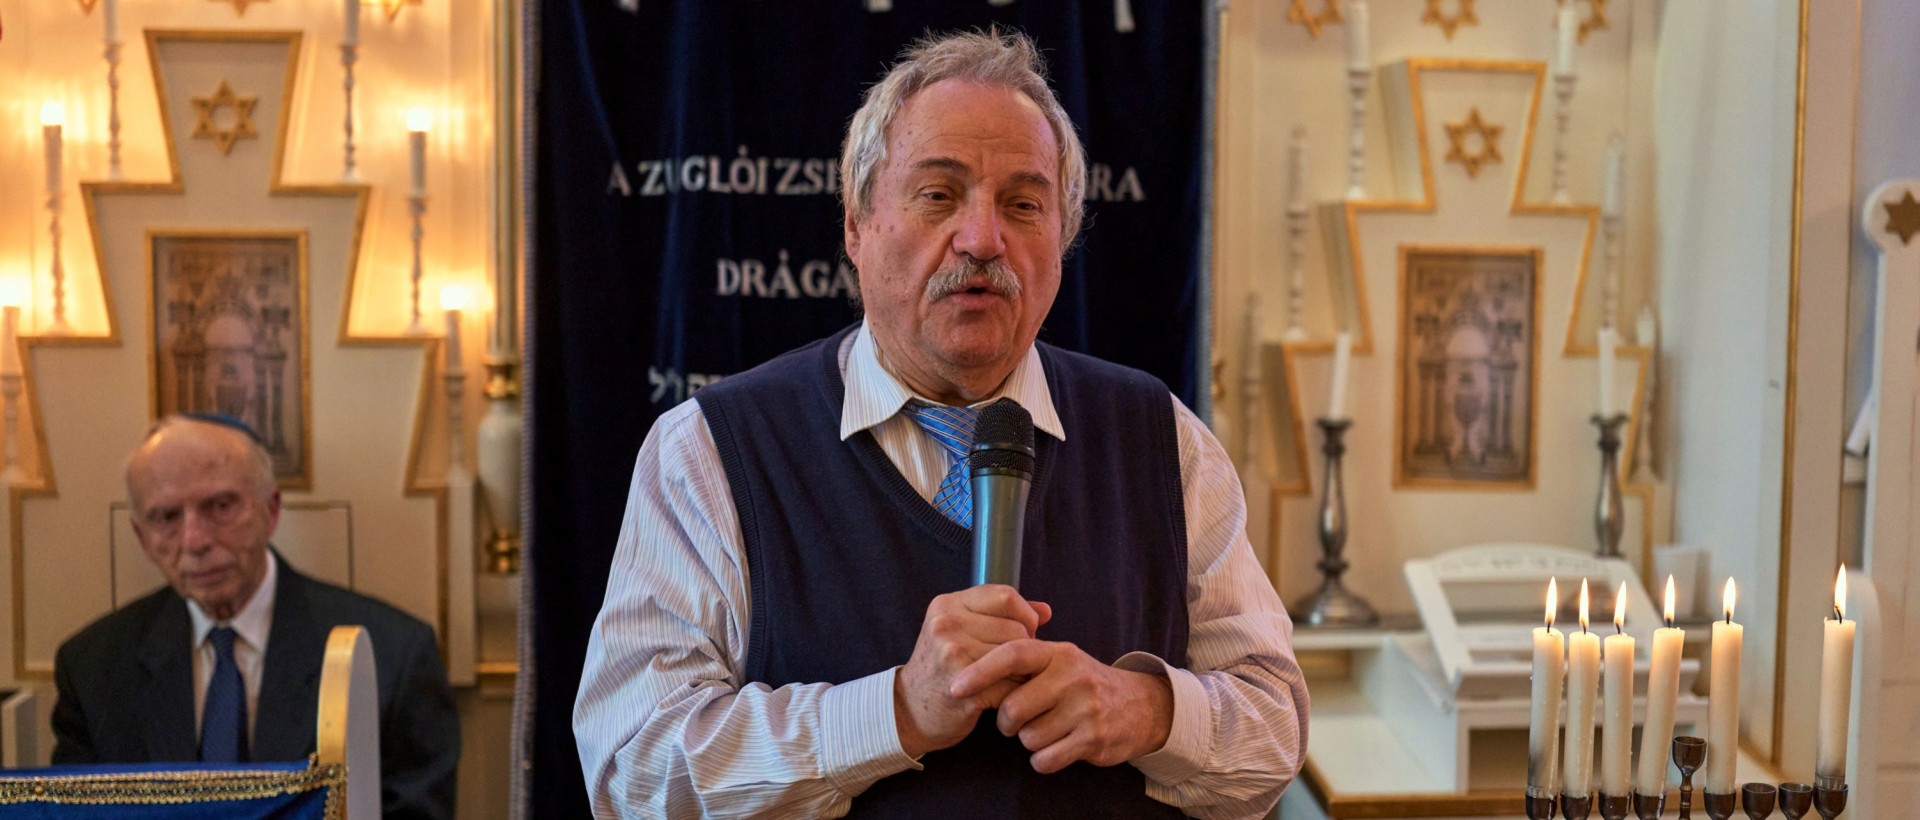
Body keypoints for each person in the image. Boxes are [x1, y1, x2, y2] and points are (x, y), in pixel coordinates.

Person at [574, 30, 1307, 819]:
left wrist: (1151, 711)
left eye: (1023, 205)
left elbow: (1275, 734)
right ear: (856, 224)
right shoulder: (710, 451)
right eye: (938, 195)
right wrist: (895, 711)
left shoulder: (1162, 439)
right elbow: (631, 771)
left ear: (1061, 240)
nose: (983, 239)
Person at [51, 414, 460, 820]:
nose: (195, 541)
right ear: (142, 537)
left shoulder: (394, 656)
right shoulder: (93, 669)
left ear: (271, 509)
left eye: (220, 506)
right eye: (167, 517)